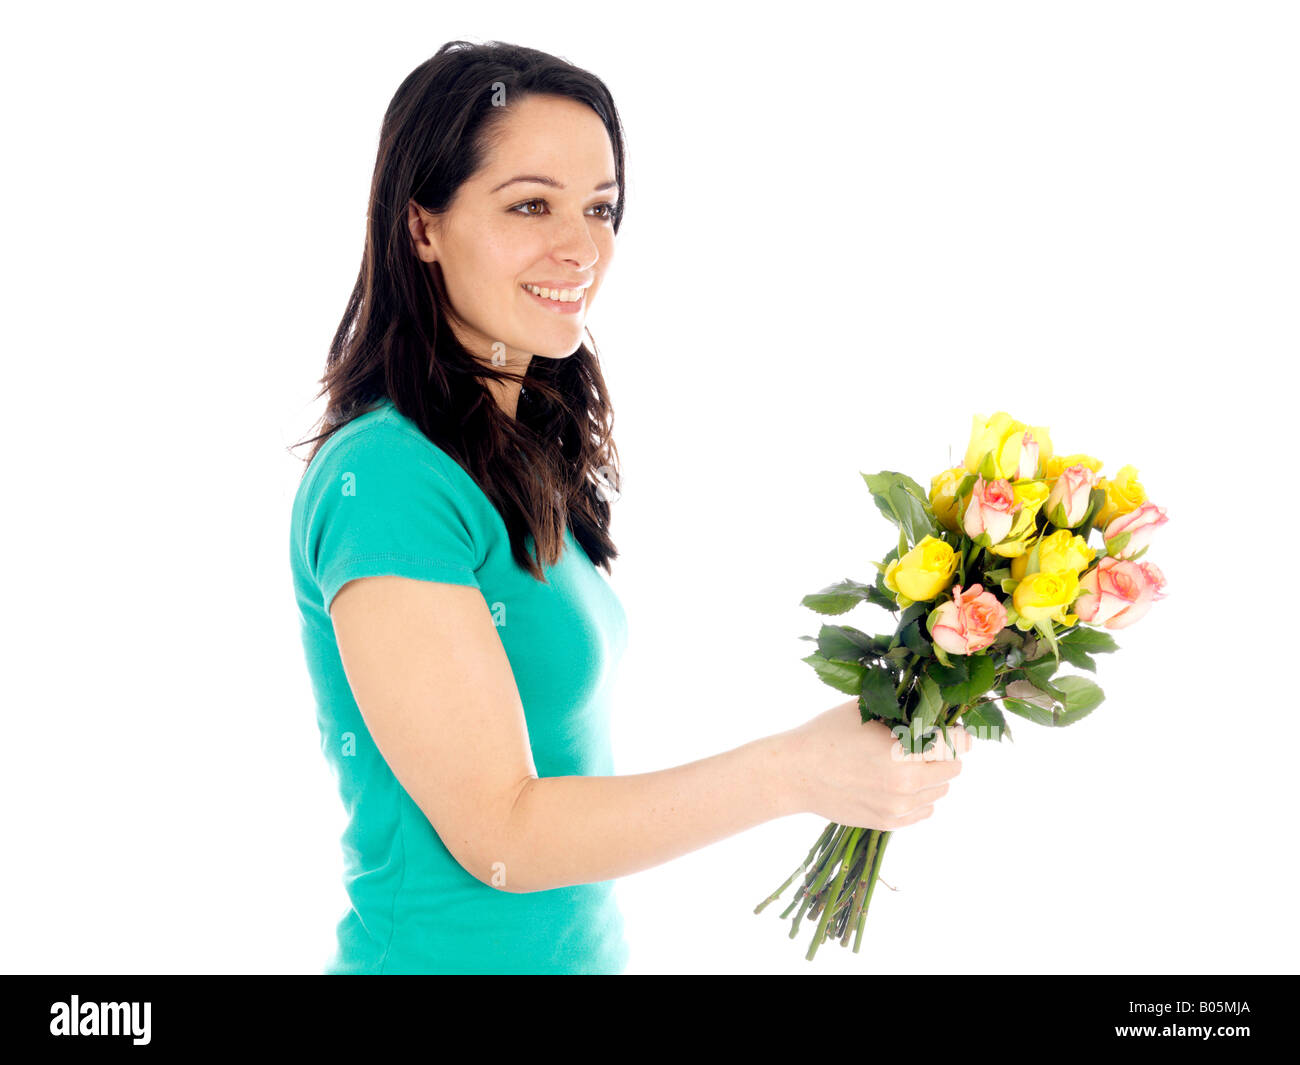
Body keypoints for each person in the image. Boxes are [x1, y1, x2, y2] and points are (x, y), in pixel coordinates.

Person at [287, 40, 970, 975]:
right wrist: (795, 772)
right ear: (421, 226)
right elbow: (505, 833)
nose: (582, 246)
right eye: (531, 204)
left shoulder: (508, 457)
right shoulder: (390, 480)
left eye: (600, 208)